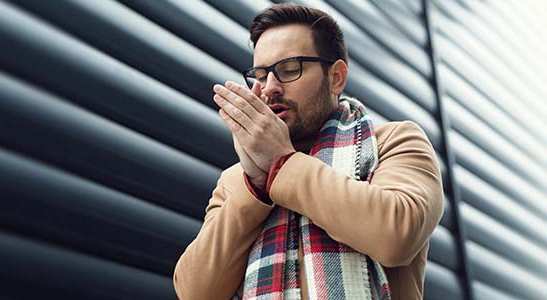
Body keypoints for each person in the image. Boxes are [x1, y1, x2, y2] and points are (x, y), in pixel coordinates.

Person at [173, 3, 443, 300]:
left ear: (336, 77)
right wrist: (256, 188)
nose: (269, 88)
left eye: (289, 70)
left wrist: (283, 164)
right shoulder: (238, 181)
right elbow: (194, 292)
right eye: (261, 75)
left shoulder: (394, 141)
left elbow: (397, 237)